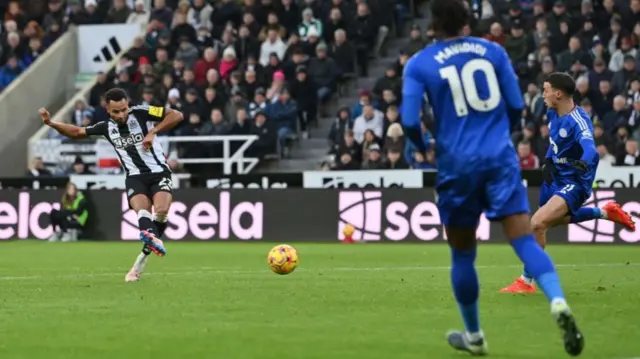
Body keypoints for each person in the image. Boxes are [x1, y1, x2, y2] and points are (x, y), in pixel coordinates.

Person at [401, 0, 584, 356]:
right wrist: (499, 135)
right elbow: (516, 106)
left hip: (457, 164)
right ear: (468, 21)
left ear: (433, 24)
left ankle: (474, 336)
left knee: (463, 255)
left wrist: (422, 147)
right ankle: (558, 302)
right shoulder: (494, 52)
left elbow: (409, 121)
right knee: (525, 241)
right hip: (500, 159)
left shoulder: (420, 63)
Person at [501, 73, 636, 294]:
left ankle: (526, 281)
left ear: (558, 93)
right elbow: (554, 142)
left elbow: (590, 148)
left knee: (536, 224)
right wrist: (547, 162)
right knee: (552, 222)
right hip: (555, 177)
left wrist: (584, 162)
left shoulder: (579, 121)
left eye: (545, 90)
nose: (542, 94)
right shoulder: (552, 111)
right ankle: (604, 213)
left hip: (575, 181)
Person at [39, 88, 184, 282]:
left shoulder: (142, 112)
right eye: (116, 111)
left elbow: (177, 115)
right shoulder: (105, 127)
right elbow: (76, 131)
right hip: (135, 177)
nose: (122, 114)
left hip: (159, 172)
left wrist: (153, 131)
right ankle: (147, 238)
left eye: (124, 109)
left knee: (161, 210)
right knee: (142, 210)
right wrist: (51, 123)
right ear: (108, 110)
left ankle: (141, 257)